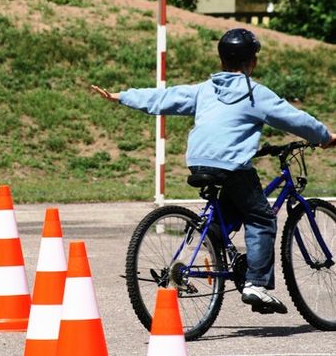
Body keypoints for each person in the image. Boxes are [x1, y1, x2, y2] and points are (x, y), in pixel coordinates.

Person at [92, 28, 336, 315]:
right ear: (253, 62)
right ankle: (256, 284)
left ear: (221, 60)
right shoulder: (255, 94)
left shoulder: (204, 90)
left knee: (231, 210)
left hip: (198, 161)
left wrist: (122, 96)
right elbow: (296, 120)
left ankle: (208, 248)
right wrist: (325, 136)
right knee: (261, 218)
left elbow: (164, 98)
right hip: (230, 164)